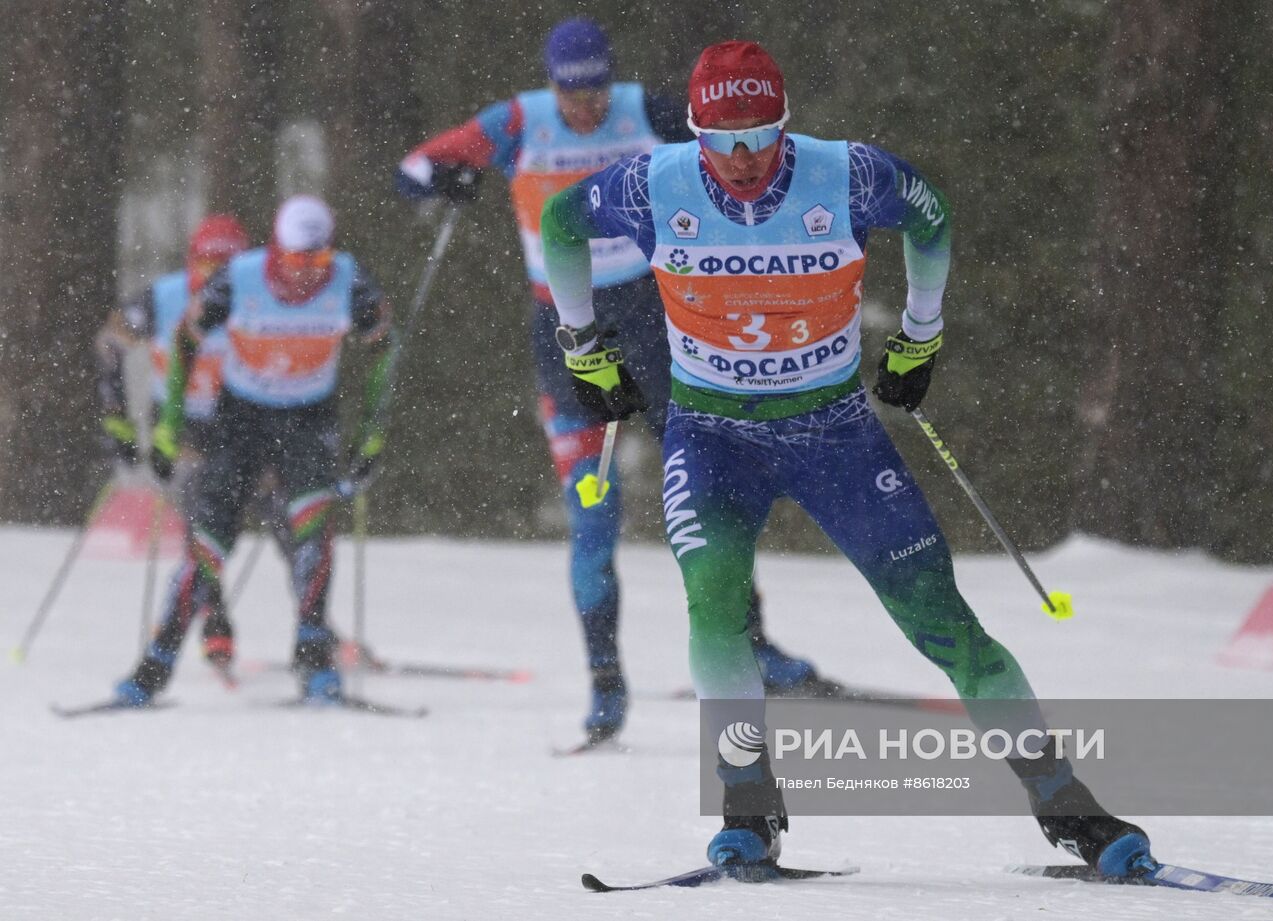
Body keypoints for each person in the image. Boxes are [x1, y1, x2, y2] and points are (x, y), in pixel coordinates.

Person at [540, 40, 1152, 876]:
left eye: (762, 133)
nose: (745, 156)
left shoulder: (849, 175)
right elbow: (560, 221)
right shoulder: (656, 183)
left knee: (942, 620)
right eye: (724, 139)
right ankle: (748, 808)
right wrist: (582, 347)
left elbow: (930, 213)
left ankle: (1068, 803)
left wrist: (921, 333)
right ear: (693, 134)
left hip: (834, 431)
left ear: (787, 123)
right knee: (714, 606)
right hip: (713, 436)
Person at [396, 18, 829, 744]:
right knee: (592, 511)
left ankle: (754, 642)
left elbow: (737, 155)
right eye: (573, 91)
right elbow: (411, 171)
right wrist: (450, 178)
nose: (587, 106)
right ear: (552, 82)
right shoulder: (518, 121)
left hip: (655, 319)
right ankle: (605, 682)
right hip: (566, 331)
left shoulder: (646, 110)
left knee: (710, 480)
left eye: (596, 88)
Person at [111, 195, 394, 706]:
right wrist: (170, 428)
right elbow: (183, 343)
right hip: (240, 417)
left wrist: (373, 432)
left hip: (309, 416)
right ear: (275, 251)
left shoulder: (350, 282)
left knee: (312, 533)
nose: (306, 273)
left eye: (318, 260)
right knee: (209, 545)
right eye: (294, 259)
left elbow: (383, 349)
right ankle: (152, 671)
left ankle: (317, 665)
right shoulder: (238, 279)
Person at [95, 215, 262, 670]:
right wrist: (117, 420)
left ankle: (314, 624)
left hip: (242, 421)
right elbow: (110, 344)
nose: (216, 277)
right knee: (201, 517)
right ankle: (215, 621)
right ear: (193, 262)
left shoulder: (259, 299)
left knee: (283, 515)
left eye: (229, 267)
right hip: (181, 423)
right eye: (208, 266)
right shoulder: (165, 297)